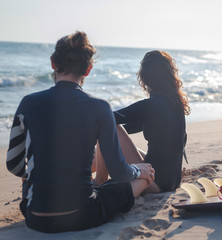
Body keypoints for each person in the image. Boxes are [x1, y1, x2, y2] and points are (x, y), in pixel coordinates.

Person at [6, 31, 155, 233]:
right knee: (129, 183)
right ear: (88, 69)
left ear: (53, 63)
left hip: (34, 216)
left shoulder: (28, 103)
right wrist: (139, 170)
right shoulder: (99, 108)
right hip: (82, 214)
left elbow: (14, 165)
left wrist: (31, 172)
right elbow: (120, 173)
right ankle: (144, 176)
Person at [94, 50, 190, 193]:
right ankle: (85, 168)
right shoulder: (175, 104)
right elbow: (133, 127)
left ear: (145, 78)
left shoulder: (151, 105)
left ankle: (99, 180)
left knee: (109, 126)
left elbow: (107, 118)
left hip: (153, 181)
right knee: (116, 140)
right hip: (172, 181)